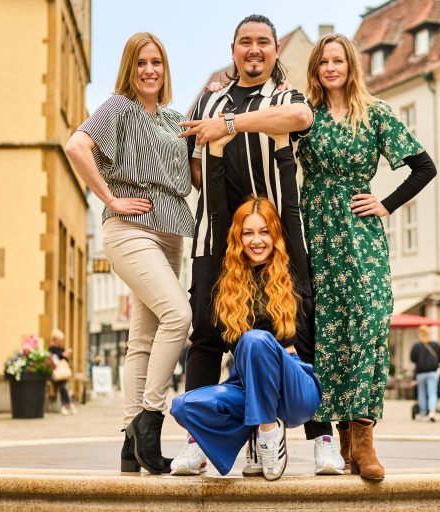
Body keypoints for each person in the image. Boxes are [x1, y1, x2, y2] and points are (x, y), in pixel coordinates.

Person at [173, 14, 340, 476]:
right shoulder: (207, 97)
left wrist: (229, 123)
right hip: (218, 234)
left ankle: (322, 438)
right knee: (207, 336)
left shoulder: (283, 96)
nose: (254, 50)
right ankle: (198, 442)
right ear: (233, 50)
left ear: (273, 51)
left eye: (263, 42)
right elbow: (191, 162)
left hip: (280, 235)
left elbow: (300, 117)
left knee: (300, 331)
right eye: (245, 42)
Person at [297, 34, 437, 481]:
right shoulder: (306, 115)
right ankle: (341, 442)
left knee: (370, 322)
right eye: (324, 62)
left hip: (361, 237)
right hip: (317, 234)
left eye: (338, 60)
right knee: (327, 335)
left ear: (350, 65)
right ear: (316, 68)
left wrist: (387, 204)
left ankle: (364, 433)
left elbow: (424, 167)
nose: (331, 68)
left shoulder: (375, 113)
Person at [65, 32, 193, 474]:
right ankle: (149, 421)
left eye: (156, 62)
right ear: (129, 69)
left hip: (171, 235)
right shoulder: (119, 107)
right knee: (179, 316)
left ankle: (128, 446)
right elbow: (76, 146)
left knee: (141, 340)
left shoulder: (174, 118)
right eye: (141, 63)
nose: (150, 70)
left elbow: (193, 169)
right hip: (131, 230)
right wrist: (112, 199)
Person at [170, 130, 321, 480]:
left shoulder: (294, 267)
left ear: (276, 235)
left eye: (264, 232)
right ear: (238, 238)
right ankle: (256, 431)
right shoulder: (229, 280)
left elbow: (291, 205)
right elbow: (219, 211)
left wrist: (283, 146)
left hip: (296, 385)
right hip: (248, 386)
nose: (256, 240)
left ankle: (268, 434)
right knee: (185, 405)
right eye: (248, 233)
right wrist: (217, 151)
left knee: (254, 340)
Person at [410, 326, 440, 422]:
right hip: (433, 372)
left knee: (421, 392)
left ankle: (423, 412)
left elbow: (412, 359)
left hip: (420, 373)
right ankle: (432, 412)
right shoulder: (436, 345)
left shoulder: (417, 346)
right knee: (432, 392)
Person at [48, 329, 77, 416]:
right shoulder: (51, 349)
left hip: (62, 374)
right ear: (55, 340)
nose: (62, 342)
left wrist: (66, 356)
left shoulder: (62, 349)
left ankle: (64, 406)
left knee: (62, 385)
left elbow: (66, 362)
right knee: (62, 386)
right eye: (60, 340)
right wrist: (62, 355)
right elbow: (53, 359)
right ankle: (69, 404)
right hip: (54, 374)